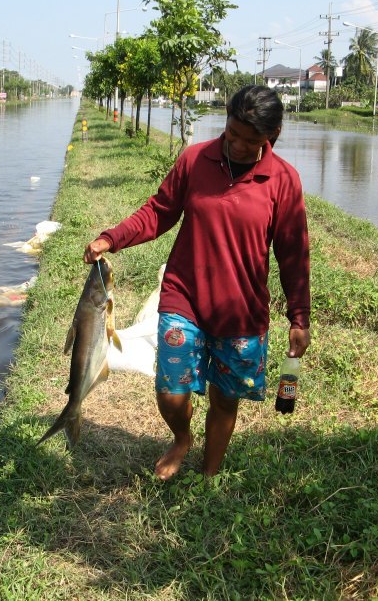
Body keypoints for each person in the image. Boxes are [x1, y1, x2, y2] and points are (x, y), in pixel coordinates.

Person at [84, 85, 311, 479]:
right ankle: (182, 438)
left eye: (250, 139)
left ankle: (209, 473)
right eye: (232, 133)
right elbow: (159, 212)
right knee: (171, 392)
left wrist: (299, 318)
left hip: (242, 310)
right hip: (184, 296)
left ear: (269, 138)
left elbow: (293, 253)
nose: (237, 145)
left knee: (226, 398)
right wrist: (112, 237)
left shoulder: (283, 180)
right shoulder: (195, 159)